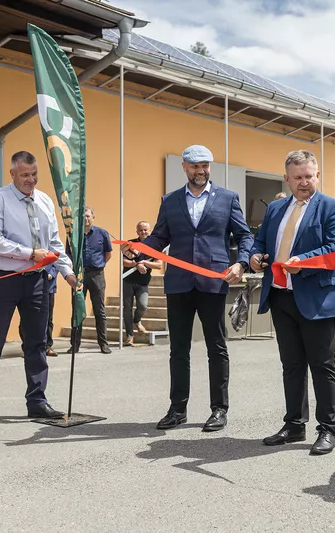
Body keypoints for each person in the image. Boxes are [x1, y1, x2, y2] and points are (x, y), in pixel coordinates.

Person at [133, 144, 253, 432]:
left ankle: (219, 409)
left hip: (213, 282)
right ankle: (178, 409)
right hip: (179, 284)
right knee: (179, 350)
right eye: (195, 165)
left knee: (217, 347)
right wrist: (137, 250)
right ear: (184, 167)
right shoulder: (170, 200)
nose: (201, 170)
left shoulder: (227, 198)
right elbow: (160, 237)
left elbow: (245, 236)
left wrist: (242, 264)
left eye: (205, 165)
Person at [249, 150, 335, 455]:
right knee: (291, 365)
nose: (304, 182)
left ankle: (328, 428)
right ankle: (294, 425)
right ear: (287, 178)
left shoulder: (332, 207)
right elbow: (261, 241)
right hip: (281, 296)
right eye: (298, 177)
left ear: (317, 175)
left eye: (310, 176)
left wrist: (302, 261)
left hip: (316, 298)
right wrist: (253, 256)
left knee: (322, 365)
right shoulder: (276, 208)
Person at [0, 151, 77, 429]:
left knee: (37, 343)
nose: (30, 180)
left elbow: (54, 243)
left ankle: (37, 401)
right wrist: (29, 253)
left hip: (37, 281)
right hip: (3, 279)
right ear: (12, 174)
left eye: (34, 175)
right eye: (25, 175)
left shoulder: (44, 201)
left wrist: (67, 272)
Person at [71, 206, 112, 354]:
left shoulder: (102, 233)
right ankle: (74, 345)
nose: (86, 219)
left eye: (88, 216)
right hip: (79, 276)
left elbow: (108, 254)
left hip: (97, 275)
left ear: (93, 217)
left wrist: (99, 266)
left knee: (99, 310)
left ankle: (103, 344)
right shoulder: (74, 234)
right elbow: (69, 254)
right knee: (77, 309)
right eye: (83, 216)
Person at [122, 221, 162, 346]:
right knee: (127, 308)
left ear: (149, 231)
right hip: (128, 281)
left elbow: (159, 265)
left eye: (145, 230)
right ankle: (129, 336)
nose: (143, 232)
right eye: (141, 230)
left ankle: (137, 321)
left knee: (143, 306)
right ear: (137, 231)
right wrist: (136, 264)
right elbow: (124, 262)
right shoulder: (131, 244)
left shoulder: (155, 246)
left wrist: (144, 262)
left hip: (143, 282)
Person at [19, 262, 59, 357]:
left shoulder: (52, 248)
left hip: (49, 287)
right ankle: (27, 346)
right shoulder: (33, 249)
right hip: (32, 286)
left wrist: (51, 274)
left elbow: (57, 263)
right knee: (27, 319)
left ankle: (47, 346)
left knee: (48, 319)